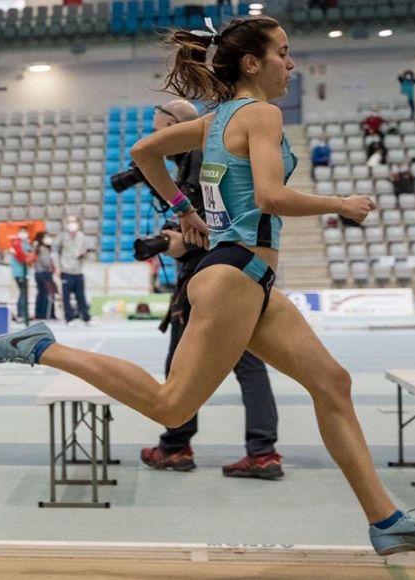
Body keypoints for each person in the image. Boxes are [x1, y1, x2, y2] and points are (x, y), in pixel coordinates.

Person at [0, 15, 415, 555]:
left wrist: (183, 210)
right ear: (252, 63)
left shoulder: (219, 118)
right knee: (171, 407)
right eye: (283, 52)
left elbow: (143, 152)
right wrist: (340, 205)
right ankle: (41, 347)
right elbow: (271, 197)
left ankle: (386, 520)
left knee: (333, 383)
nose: (291, 63)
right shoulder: (261, 114)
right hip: (231, 275)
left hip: (248, 274)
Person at [141, 99, 283, 478]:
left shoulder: (202, 159)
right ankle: (263, 451)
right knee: (250, 364)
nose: (158, 137)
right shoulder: (200, 158)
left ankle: (175, 446)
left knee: (182, 365)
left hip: (214, 274)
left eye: (162, 129)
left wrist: (182, 239)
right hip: (240, 269)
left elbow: (217, 225)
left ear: (179, 126)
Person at [58, 216, 93, 326]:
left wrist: (84, 254)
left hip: (78, 271)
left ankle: (86, 318)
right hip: (66, 270)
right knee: (66, 297)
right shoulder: (62, 236)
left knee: (81, 296)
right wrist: (57, 267)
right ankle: (69, 319)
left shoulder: (81, 236)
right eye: (70, 222)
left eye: (74, 222)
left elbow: (87, 250)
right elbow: (55, 252)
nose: (72, 224)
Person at [9, 229, 34, 324]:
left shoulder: (27, 244)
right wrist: (29, 257)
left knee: (24, 293)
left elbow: (31, 257)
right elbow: (22, 258)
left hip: (26, 272)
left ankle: (23, 313)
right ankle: (21, 314)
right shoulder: (16, 244)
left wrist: (30, 257)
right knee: (23, 293)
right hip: (19, 272)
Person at [32, 231, 58, 321]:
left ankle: (40, 313)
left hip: (39, 273)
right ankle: (48, 314)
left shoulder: (38, 248)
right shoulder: (43, 249)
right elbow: (46, 262)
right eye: (46, 237)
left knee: (41, 294)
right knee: (48, 294)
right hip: (44, 273)